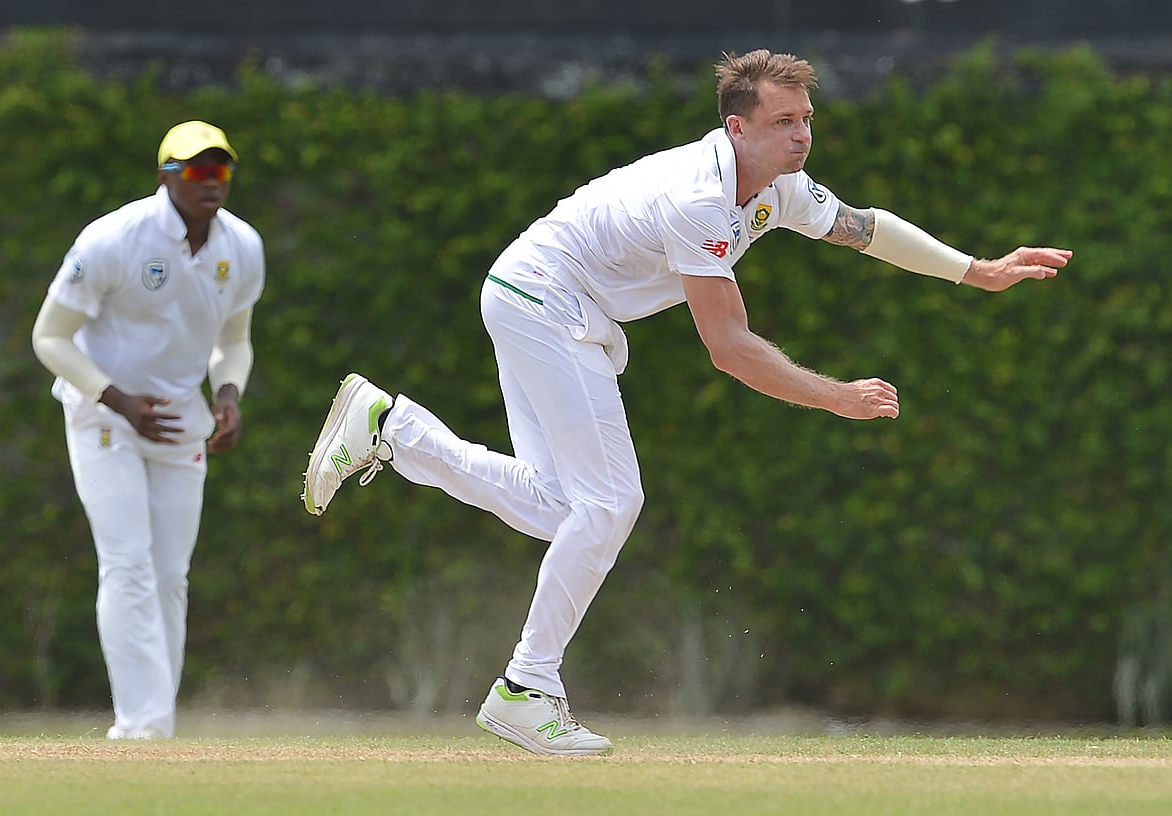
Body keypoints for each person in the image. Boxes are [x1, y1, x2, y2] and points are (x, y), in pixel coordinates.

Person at [301, 50, 1072, 756]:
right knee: (610, 506)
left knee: (563, 510)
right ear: (736, 128)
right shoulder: (698, 200)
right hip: (544, 299)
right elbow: (730, 348)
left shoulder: (780, 187)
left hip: (538, 298)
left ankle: (391, 427)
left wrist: (978, 271)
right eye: (782, 122)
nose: (801, 136)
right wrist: (837, 397)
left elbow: (864, 229)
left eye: (806, 120)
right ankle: (524, 688)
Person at [32, 121, 266, 739]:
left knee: (169, 575)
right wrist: (118, 399)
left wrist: (228, 395)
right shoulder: (115, 238)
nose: (210, 181)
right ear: (166, 176)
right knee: (128, 563)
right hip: (101, 416)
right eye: (196, 170)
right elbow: (49, 337)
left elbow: (234, 342)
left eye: (220, 170)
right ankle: (142, 727)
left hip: (177, 424)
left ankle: (155, 726)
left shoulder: (241, 248)